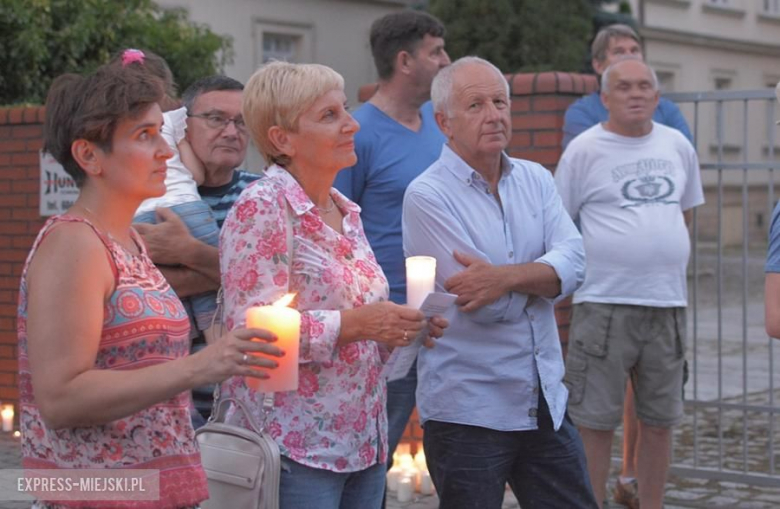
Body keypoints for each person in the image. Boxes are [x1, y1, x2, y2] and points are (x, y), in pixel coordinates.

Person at [19, 61, 283, 508]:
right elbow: (61, 397)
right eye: (145, 135)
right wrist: (200, 367)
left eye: (162, 131)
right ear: (89, 156)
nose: (167, 150)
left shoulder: (130, 240)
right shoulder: (74, 243)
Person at [219, 61, 448, 509]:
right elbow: (252, 337)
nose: (351, 125)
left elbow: (363, 338)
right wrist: (356, 325)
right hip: (295, 448)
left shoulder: (346, 211)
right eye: (330, 116)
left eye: (344, 110)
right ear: (281, 139)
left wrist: (404, 330)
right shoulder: (262, 208)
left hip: (363, 441)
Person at [402, 56, 596, 509]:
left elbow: (577, 264)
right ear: (443, 122)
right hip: (469, 407)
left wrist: (506, 277)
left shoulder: (535, 178)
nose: (494, 114)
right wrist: (541, 278)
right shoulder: (427, 195)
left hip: (542, 396)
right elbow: (487, 306)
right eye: (476, 105)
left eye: (500, 101)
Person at [555, 59, 704, 509]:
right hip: (604, 303)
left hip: (667, 304)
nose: (635, 94)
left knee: (660, 421)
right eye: (623, 87)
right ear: (605, 98)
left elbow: (686, 213)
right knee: (595, 422)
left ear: (657, 98)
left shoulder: (678, 145)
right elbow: (560, 223)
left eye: (644, 87)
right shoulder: (584, 150)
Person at [332, 10, 449, 486]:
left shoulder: (440, 126)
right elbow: (336, 226)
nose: (447, 60)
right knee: (373, 453)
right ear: (405, 60)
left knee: (453, 445)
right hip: (389, 325)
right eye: (436, 51)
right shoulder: (358, 133)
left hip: (446, 318)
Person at [134, 74, 258, 426]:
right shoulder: (147, 195)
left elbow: (272, 291)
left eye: (241, 121)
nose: (232, 131)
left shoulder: (264, 196)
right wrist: (223, 280)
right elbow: (134, 290)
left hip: (245, 407)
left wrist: (186, 251)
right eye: (217, 119)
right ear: (182, 127)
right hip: (163, 406)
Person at [111, 48, 221, 344]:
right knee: (214, 291)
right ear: (165, 84)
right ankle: (219, 350)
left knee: (163, 288)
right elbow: (195, 174)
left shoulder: (116, 130)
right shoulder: (171, 119)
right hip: (187, 207)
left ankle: (180, 346)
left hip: (142, 216)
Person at [562, 24, 692, 150]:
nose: (629, 56)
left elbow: (685, 152)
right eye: (619, 52)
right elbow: (589, 158)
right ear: (598, 65)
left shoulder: (666, 109)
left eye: (634, 50)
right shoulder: (583, 113)